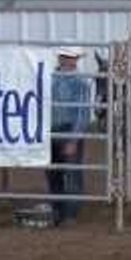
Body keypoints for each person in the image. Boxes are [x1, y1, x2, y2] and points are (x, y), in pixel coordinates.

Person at [47, 47, 92, 226]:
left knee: (71, 172)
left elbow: (83, 113)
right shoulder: (49, 77)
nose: (72, 61)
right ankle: (58, 210)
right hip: (50, 130)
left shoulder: (80, 81)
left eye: (74, 58)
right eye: (69, 57)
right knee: (53, 173)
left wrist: (74, 139)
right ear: (61, 58)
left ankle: (69, 213)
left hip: (67, 130)